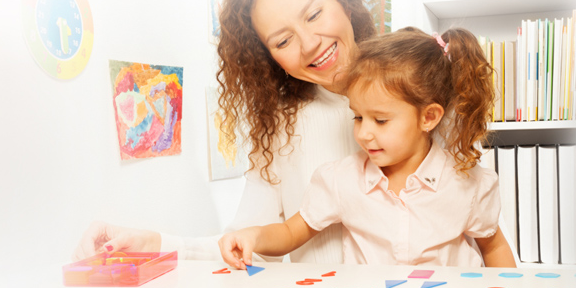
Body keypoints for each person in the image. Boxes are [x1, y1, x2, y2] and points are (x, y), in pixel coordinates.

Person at [72, 0, 376, 263]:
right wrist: (151, 244)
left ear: (342, 0)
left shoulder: (421, 92)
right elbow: (243, 246)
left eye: (314, 14)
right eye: (283, 41)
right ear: (270, 58)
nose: (311, 43)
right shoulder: (281, 125)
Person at [218, 28, 517, 268]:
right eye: (358, 116)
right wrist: (253, 236)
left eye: (381, 120)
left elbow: (494, 246)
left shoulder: (469, 184)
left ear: (428, 117)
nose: (364, 133)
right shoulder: (341, 180)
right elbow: (292, 232)